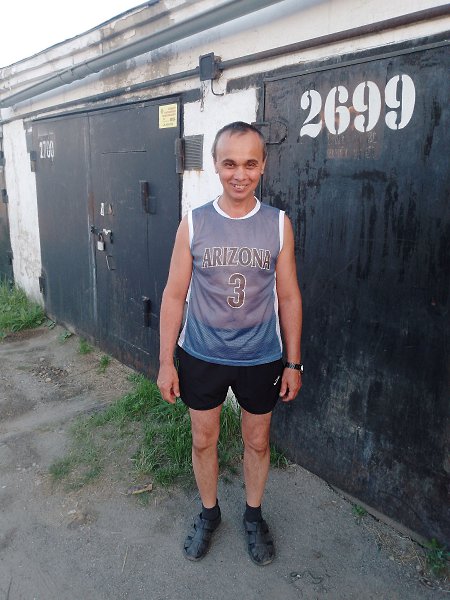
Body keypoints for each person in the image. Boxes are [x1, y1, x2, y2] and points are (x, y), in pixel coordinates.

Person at [157, 121, 302, 566]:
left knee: (257, 442)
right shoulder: (194, 223)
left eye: (250, 164)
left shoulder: (278, 224)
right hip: (202, 354)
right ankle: (209, 513)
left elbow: (289, 296)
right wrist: (166, 362)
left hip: (260, 356)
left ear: (264, 165)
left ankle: (253, 516)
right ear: (216, 165)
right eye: (230, 163)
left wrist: (293, 363)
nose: (240, 174)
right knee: (204, 440)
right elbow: (174, 294)